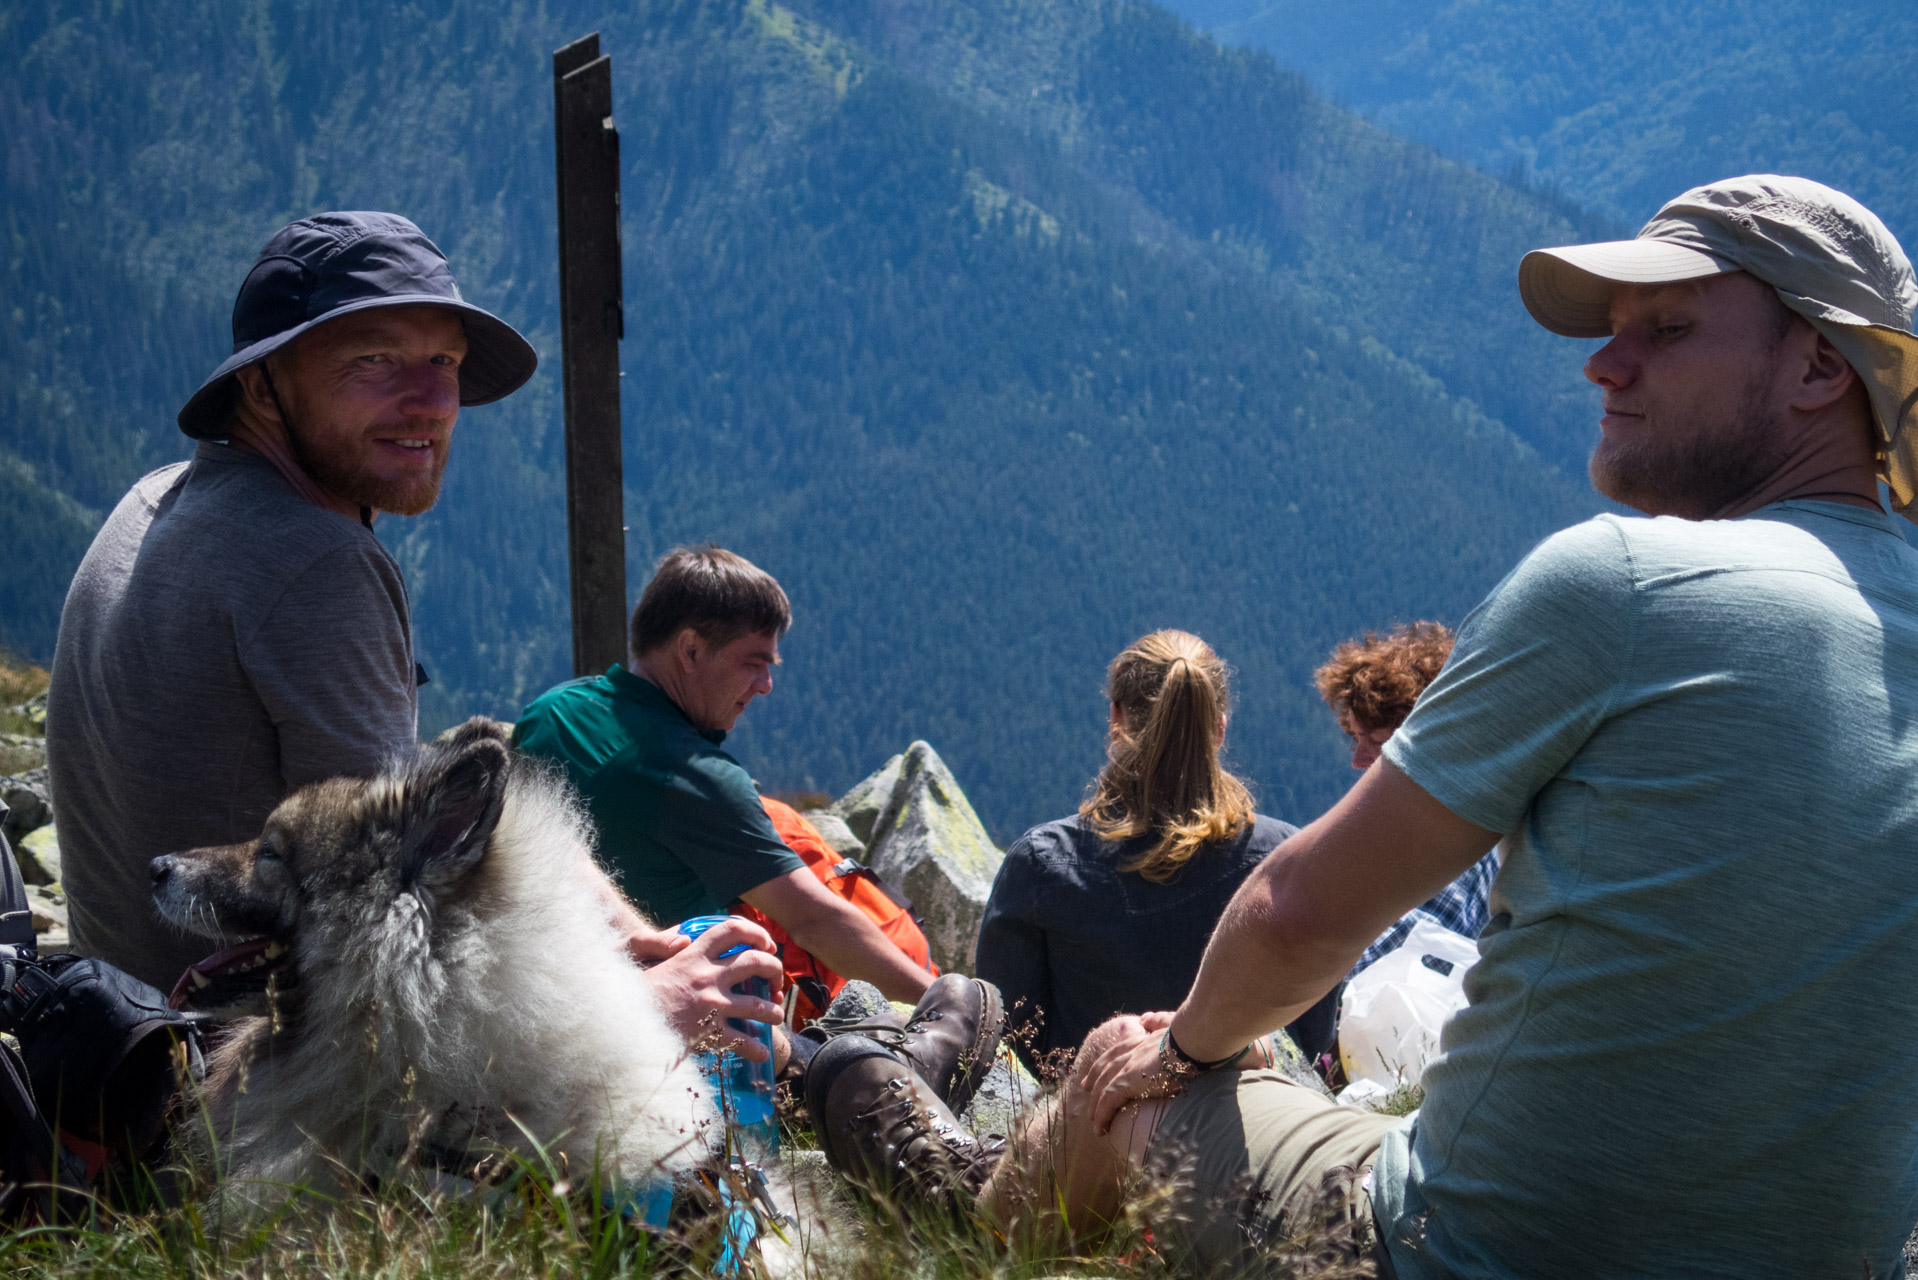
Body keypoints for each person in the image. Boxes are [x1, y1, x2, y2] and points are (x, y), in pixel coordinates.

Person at [807, 175, 1918, 1279]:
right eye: (1614, 331)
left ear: (1824, 362)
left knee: (1121, 1060)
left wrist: (1182, 1048)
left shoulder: (1626, 583)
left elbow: (1295, 912)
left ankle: (964, 1204)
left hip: (1462, 1251)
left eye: (1665, 329)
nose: (1602, 363)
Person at [45, 212, 778, 1059]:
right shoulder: (314, 561)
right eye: (374, 360)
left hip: (119, 1039)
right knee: (760, 1045)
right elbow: (395, 912)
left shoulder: (156, 501)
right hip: (255, 1075)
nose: (432, 401)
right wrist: (642, 998)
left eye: (445, 362)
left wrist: (621, 926)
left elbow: (387, 787)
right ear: (262, 385)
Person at [512, 544, 935, 1007]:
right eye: (754, 662)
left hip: (543, 988)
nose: (765, 685)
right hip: (676, 1020)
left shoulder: (549, 712)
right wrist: (942, 1003)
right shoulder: (695, 776)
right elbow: (815, 921)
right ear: (690, 649)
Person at [976, 631, 1303, 1073]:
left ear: (1116, 717)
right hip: (1250, 1125)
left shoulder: (1041, 865)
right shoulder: (1283, 859)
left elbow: (1007, 1040)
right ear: (1221, 728)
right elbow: (1307, 1042)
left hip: (1092, 1126)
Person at [1315, 622, 1498, 976]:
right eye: (1356, 738)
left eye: (1377, 742)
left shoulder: (1444, 839)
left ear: (1425, 737)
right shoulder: (1464, 812)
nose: (1357, 759)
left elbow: (1391, 963)